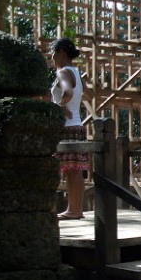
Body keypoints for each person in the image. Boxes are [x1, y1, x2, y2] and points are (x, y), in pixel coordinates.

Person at [49, 37, 88, 220]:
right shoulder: (76, 72)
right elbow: (85, 94)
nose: (51, 57)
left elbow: (68, 93)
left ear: (62, 53)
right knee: (75, 169)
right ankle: (76, 209)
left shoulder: (63, 72)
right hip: (78, 126)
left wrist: (57, 107)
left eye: (53, 53)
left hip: (65, 128)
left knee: (66, 169)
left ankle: (72, 210)